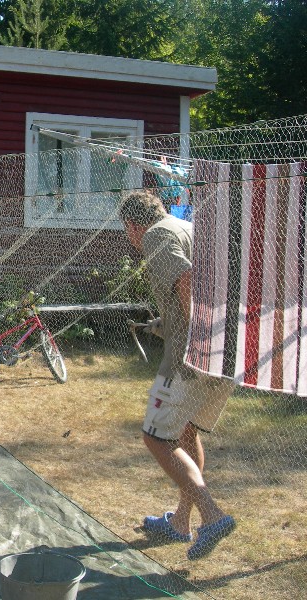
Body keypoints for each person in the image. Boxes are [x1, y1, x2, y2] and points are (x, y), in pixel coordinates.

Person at [119, 190, 236, 561]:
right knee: (186, 434)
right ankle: (180, 524)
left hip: (192, 359)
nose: (129, 238)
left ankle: (212, 516)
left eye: (127, 231)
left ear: (133, 225)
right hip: (225, 351)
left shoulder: (156, 235)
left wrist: (198, 336)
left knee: (156, 438)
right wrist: (161, 324)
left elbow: (186, 281)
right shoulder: (184, 226)